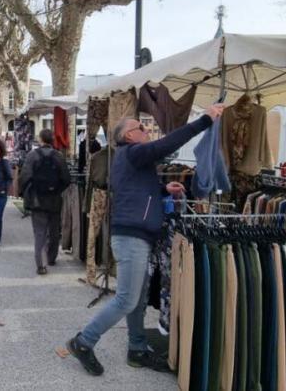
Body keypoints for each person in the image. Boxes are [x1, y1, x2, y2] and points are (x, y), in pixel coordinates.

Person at [65, 104, 224, 377]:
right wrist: (205, 120)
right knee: (126, 299)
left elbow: (134, 189)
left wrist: (163, 188)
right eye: (139, 127)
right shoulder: (135, 152)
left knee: (136, 300)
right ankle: (84, 341)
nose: (144, 130)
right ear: (128, 136)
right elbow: (167, 144)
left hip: (135, 235)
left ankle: (137, 349)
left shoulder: (130, 159)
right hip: (131, 238)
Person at [18, 129, 71, 275]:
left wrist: (26, 193)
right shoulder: (59, 156)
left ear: (40, 139)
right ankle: (52, 257)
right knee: (54, 231)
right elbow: (67, 179)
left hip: (37, 199)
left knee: (40, 232)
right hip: (54, 199)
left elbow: (24, 177)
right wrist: (57, 190)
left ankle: (41, 265)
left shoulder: (32, 155)